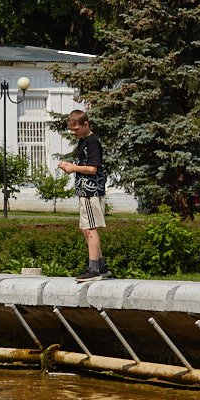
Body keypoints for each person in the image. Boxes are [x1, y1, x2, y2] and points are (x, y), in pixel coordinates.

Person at [58, 108, 112, 282]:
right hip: (85, 190)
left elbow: (92, 168)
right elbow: (85, 164)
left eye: (76, 129)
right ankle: (101, 266)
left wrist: (73, 168)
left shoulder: (92, 142)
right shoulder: (83, 141)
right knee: (85, 227)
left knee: (90, 229)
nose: (73, 133)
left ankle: (94, 269)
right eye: (71, 129)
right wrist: (70, 165)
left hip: (91, 191)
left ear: (85, 124)